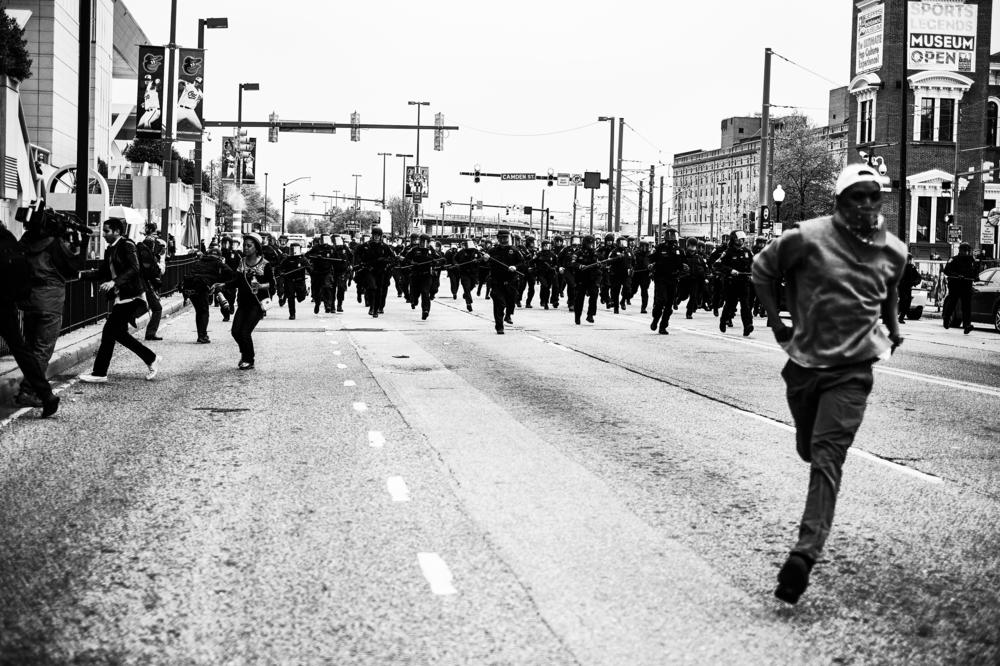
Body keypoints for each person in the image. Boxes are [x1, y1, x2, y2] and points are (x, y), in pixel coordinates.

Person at [752, 162, 906, 605]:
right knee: (809, 446)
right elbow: (763, 271)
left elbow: (889, 291)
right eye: (856, 196)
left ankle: (804, 554)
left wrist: (893, 330)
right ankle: (811, 440)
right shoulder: (805, 237)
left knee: (826, 457)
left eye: (873, 196)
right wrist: (776, 318)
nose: (866, 205)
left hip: (853, 372)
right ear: (839, 202)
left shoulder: (893, 250)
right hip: (804, 365)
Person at [79, 218, 160, 383]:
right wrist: (81, 275)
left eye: (106, 231)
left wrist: (114, 282)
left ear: (117, 231)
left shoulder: (127, 245)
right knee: (117, 334)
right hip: (122, 298)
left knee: (109, 332)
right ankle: (150, 358)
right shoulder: (110, 250)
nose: (103, 234)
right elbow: (102, 272)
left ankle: (100, 373)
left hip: (133, 297)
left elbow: (134, 268)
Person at [18, 208, 85, 406]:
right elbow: (72, 267)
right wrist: (79, 244)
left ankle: (29, 387)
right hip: (50, 301)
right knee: (42, 349)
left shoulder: (25, 242)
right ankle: (29, 390)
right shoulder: (54, 244)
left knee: (30, 347)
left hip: (28, 300)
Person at [0, 222, 59, 416]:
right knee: (22, 350)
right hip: (6, 304)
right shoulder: (7, 238)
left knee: (23, 349)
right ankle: (46, 395)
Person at [222, 233, 274, 370]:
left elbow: (273, 284)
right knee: (235, 331)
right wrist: (223, 285)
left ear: (256, 248)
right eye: (244, 245)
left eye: (249, 245)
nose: (245, 248)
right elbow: (236, 281)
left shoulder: (265, 264)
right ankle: (245, 353)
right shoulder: (242, 262)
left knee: (245, 332)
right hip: (243, 303)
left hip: (257, 304)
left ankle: (249, 359)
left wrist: (261, 286)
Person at [182, 246, 234, 343]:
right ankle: (202, 336)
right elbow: (230, 272)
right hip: (201, 287)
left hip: (189, 287)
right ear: (219, 256)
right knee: (203, 311)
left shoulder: (199, 261)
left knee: (199, 311)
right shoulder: (218, 263)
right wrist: (220, 282)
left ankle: (201, 334)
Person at [648, 228, 689, 334]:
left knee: (669, 304)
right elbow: (650, 258)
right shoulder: (659, 248)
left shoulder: (680, 250)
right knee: (660, 301)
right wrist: (651, 264)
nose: (672, 238)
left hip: (673, 279)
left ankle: (663, 326)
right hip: (661, 278)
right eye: (669, 235)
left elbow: (684, 263)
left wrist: (685, 267)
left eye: (673, 235)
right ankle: (656, 319)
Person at [483, 229, 524, 334]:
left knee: (511, 302)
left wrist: (515, 267)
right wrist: (485, 259)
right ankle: (499, 326)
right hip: (497, 281)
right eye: (501, 238)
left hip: (511, 281)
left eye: (505, 238)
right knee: (499, 304)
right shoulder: (492, 251)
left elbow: (523, 263)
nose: (503, 240)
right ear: (498, 238)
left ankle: (508, 315)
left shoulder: (514, 250)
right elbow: (484, 266)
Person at [717, 230, 756, 336]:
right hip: (731, 282)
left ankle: (748, 326)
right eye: (738, 239)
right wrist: (730, 270)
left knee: (746, 305)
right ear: (733, 239)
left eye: (742, 239)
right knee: (730, 304)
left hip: (744, 282)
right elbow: (718, 265)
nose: (741, 241)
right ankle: (723, 320)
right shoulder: (728, 252)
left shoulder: (747, 252)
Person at [356, 227, 397, 317]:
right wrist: (360, 263)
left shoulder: (385, 247)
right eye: (375, 235)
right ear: (372, 235)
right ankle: (371, 306)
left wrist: (385, 261)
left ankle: (376, 310)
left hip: (381, 271)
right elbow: (357, 253)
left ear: (381, 236)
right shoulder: (366, 245)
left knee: (379, 290)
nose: (377, 237)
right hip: (369, 270)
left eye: (378, 235)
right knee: (372, 287)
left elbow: (393, 258)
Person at [941, 243, 979, 333]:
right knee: (952, 302)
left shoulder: (971, 260)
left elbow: (974, 271)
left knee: (966, 306)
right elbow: (946, 271)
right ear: (960, 250)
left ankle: (967, 325)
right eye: (964, 250)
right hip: (955, 285)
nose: (966, 252)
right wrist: (957, 275)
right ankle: (946, 319)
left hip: (966, 285)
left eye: (968, 251)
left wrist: (976, 277)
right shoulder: (953, 259)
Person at [139, 223, 166, 341]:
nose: (156, 237)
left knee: (150, 306)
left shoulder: (144, 245)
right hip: (146, 283)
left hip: (145, 282)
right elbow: (150, 268)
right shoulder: (150, 244)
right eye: (155, 233)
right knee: (157, 308)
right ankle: (150, 333)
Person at [405, 234, 441, 320]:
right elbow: (406, 259)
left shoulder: (431, 250)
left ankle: (425, 310)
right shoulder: (414, 250)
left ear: (428, 243)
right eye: (421, 242)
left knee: (425, 292)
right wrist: (412, 262)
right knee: (415, 292)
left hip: (426, 275)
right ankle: (414, 301)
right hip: (415, 274)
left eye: (425, 242)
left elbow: (439, 259)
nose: (423, 244)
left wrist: (435, 262)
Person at [571, 235, 601, 325]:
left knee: (594, 294)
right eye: (590, 244)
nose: (591, 245)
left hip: (592, 278)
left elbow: (600, 263)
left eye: (593, 244)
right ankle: (577, 316)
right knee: (579, 299)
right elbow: (572, 263)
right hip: (581, 278)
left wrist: (599, 264)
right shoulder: (578, 253)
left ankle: (590, 314)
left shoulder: (595, 253)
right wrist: (580, 266)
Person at [279, 243, 311, 320]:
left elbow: (309, 269)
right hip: (289, 281)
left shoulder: (303, 259)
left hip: (300, 281)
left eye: (295, 249)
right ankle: (292, 314)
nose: (293, 251)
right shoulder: (287, 260)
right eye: (292, 249)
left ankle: (305, 292)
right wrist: (281, 273)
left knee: (301, 298)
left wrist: (311, 270)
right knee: (290, 297)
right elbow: (280, 268)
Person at [454, 239, 482, 312]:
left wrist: (477, 261)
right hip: (464, 273)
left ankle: (466, 294)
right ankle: (468, 303)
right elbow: (455, 259)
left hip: (473, 273)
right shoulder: (461, 252)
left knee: (472, 286)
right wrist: (456, 264)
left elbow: (481, 259)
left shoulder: (476, 252)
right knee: (466, 287)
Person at [532, 239, 559, 310]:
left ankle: (546, 301)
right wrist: (534, 268)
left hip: (549, 273)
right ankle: (544, 301)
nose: (546, 247)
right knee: (544, 285)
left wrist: (554, 268)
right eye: (545, 246)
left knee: (547, 288)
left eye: (548, 246)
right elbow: (532, 262)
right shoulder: (538, 254)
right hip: (541, 273)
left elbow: (556, 264)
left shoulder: (553, 254)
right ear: (542, 246)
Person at [897, 254, 923, 324]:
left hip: (908, 288)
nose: (909, 261)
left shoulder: (912, 267)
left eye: (909, 259)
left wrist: (916, 282)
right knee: (904, 300)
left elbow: (918, 277)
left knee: (907, 302)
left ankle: (901, 317)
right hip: (900, 287)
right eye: (908, 259)